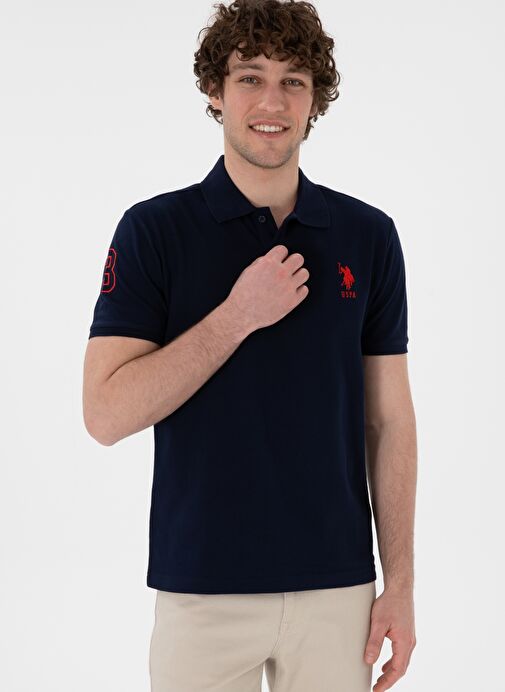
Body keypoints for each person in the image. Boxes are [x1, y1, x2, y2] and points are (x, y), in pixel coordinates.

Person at [82, 0, 417, 690]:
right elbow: (105, 414)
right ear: (215, 90)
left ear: (315, 99)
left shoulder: (368, 236)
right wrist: (236, 317)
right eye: (250, 78)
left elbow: (389, 420)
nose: (272, 102)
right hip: (202, 590)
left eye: (293, 80)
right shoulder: (154, 231)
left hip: (338, 590)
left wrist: (401, 584)